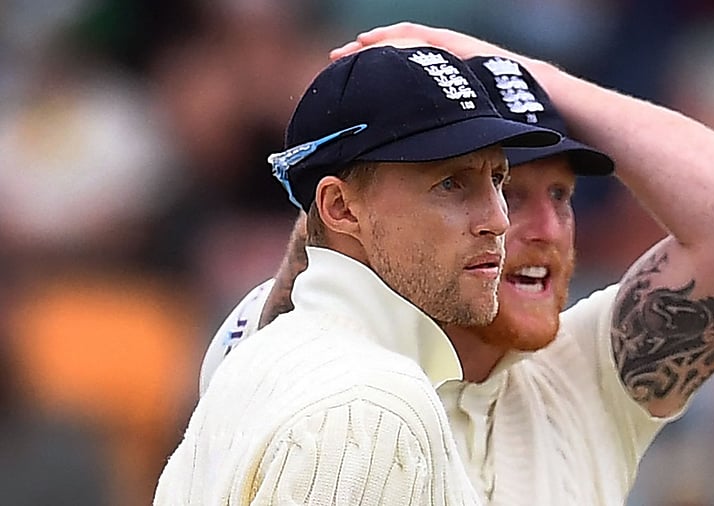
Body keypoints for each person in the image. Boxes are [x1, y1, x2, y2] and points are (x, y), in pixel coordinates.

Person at [201, 24, 714, 505]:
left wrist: (515, 72)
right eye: (501, 190)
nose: (538, 231)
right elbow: (332, 238)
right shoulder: (312, 348)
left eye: (562, 197)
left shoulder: (577, 375)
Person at [154, 44, 559, 505]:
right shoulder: (370, 406)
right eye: (451, 183)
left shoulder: (260, 360)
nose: (499, 219)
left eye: (498, 179)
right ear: (341, 208)